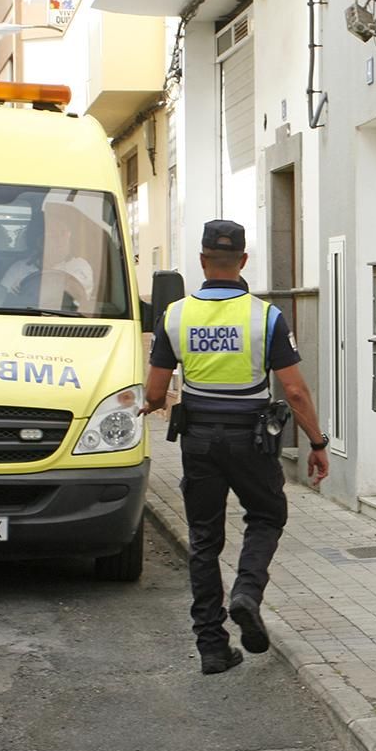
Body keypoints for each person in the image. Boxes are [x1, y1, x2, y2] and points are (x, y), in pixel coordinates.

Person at [140, 219, 330, 675]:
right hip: (251, 439)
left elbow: (154, 391)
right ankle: (247, 591)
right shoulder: (265, 317)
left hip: (198, 440)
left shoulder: (176, 315)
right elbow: (296, 392)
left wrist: (147, 406)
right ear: (243, 261)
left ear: (202, 261)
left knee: (204, 540)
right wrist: (317, 443)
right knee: (267, 515)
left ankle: (211, 646)